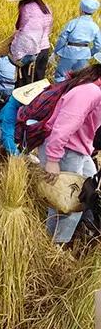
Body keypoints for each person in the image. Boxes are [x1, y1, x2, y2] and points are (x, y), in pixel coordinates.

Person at [39, 58, 101, 244]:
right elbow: (64, 126)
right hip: (65, 151)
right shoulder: (89, 91)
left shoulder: (94, 88)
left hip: (79, 150)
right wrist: (53, 159)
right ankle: (54, 247)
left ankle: (84, 232)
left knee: (92, 192)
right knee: (70, 203)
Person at [0, 79, 49, 164]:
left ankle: (25, 151)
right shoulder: (12, 106)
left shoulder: (40, 107)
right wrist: (15, 154)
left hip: (22, 129)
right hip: (2, 127)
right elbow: (7, 133)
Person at [8, 0, 53, 87]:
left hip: (32, 52)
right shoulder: (45, 7)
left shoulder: (28, 8)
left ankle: (24, 104)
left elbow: (28, 35)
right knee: (38, 82)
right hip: (44, 49)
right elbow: (47, 28)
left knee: (25, 85)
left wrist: (17, 53)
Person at [53, 0, 101, 82]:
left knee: (60, 76)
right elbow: (98, 45)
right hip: (84, 54)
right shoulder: (95, 26)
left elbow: (62, 38)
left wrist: (57, 51)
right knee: (80, 78)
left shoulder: (73, 23)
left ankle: (61, 94)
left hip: (69, 52)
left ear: (81, 9)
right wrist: (90, 53)